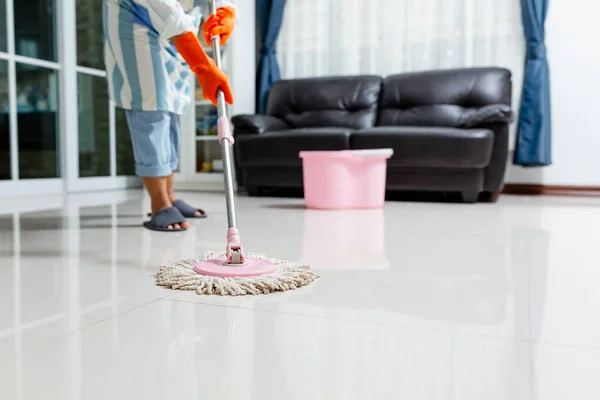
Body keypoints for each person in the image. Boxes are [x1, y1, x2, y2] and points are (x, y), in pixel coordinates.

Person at [103, 0, 236, 231]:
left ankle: (170, 195)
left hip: (181, 19)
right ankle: (159, 203)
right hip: (134, 14)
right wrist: (203, 66)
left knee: (171, 104)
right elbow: (165, 10)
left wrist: (227, 11)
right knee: (151, 102)